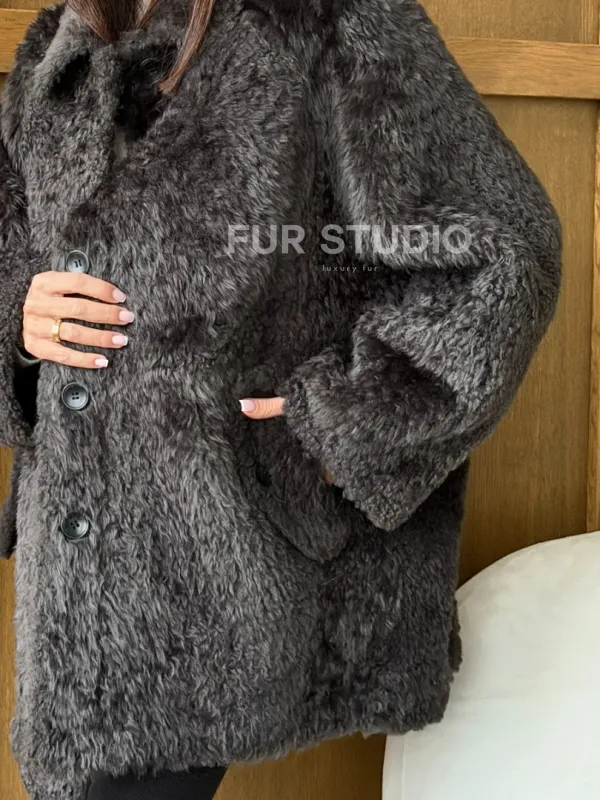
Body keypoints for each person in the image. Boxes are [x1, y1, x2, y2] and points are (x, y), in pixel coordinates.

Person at [0, 0, 561, 798]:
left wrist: (353, 423)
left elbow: (502, 253)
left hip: (229, 559)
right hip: (71, 580)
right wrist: (21, 321)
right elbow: (16, 254)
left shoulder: (328, 19)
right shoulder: (58, 48)